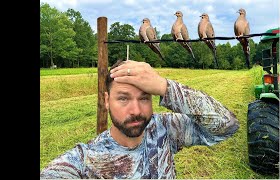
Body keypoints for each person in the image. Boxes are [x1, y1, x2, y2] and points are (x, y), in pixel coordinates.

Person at [40, 60, 240, 179]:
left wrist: (165, 87)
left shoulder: (165, 129)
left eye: (144, 97)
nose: (136, 110)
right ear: (107, 101)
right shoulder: (85, 160)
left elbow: (227, 126)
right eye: (123, 98)